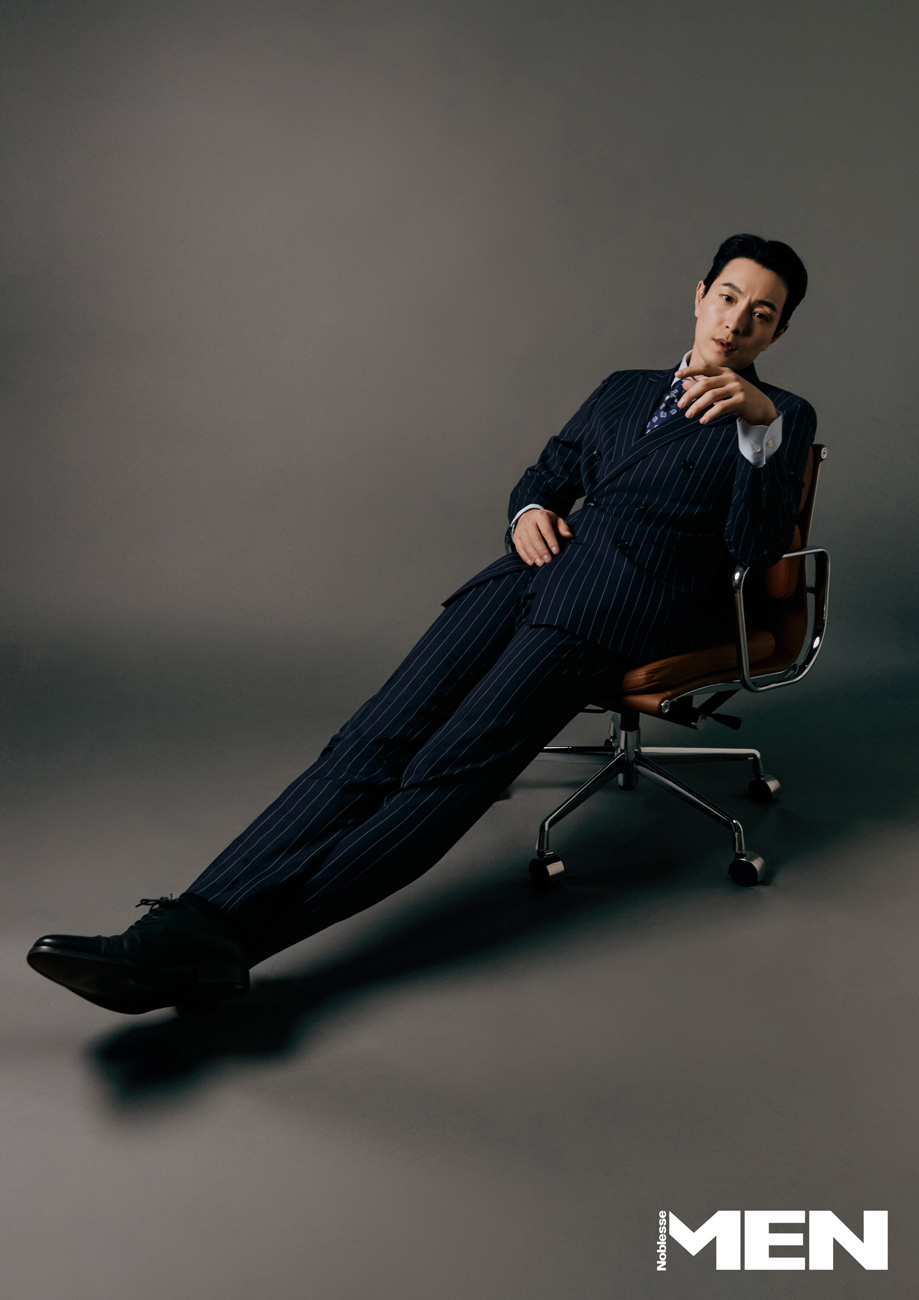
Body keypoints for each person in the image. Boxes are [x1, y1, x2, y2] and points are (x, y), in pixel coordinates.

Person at [27, 233, 816, 1016]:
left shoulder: (780, 416)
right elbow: (548, 471)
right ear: (698, 295)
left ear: (776, 333)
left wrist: (758, 434)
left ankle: (228, 941)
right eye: (727, 297)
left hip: (616, 606)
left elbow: (753, 551)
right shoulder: (622, 389)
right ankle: (190, 919)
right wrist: (529, 511)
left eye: (760, 314)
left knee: (447, 770)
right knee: (369, 741)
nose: (735, 321)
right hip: (524, 577)